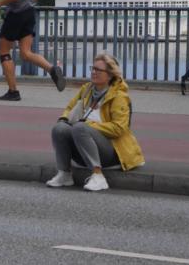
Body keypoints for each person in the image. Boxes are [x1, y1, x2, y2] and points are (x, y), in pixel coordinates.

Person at [47, 51, 144, 192]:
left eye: (98, 70)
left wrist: (90, 125)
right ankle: (64, 174)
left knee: (80, 127)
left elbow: (119, 128)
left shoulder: (119, 96)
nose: (93, 72)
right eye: (92, 68)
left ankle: (98, 176)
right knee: (59, 129)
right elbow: (69, 108)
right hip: (84, 144)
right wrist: (64, 119)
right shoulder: (87, 89)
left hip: (112, 151)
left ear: (110, 74)